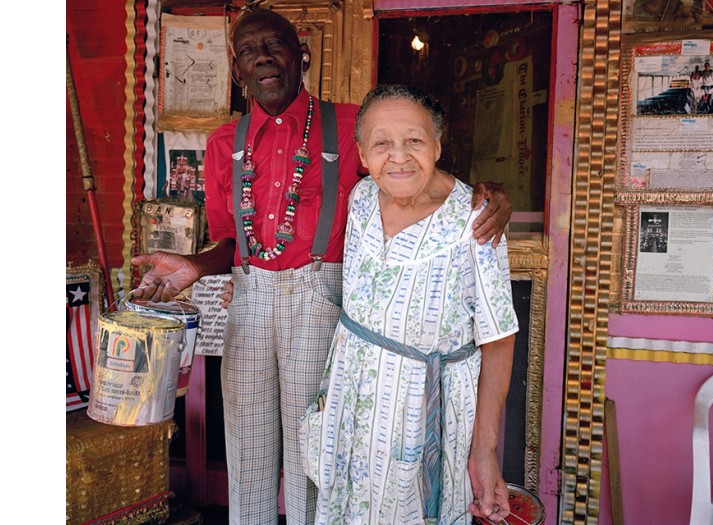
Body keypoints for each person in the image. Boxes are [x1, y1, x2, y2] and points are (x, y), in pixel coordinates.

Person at [130, 8, 513, 525]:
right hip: (248, 299)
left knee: (317, 457)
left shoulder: (355, 123)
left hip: (320, 300)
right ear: (237, 68)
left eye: (275, 45)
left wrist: (488, 195)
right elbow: (231, 243)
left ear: (301, 55)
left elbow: (410, 168)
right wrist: (196, 266)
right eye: (248, 51)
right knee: (247, 453)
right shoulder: (224, 144)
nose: (262, 57)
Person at [300, 84, 518, 525]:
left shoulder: (476, 219)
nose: (398, 156)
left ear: (438, 145)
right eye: (382, 143)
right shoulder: (361, 198)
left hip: (425, 409)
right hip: (353, 402)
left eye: (415, 141)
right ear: (362, 153)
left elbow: (498, 338)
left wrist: (485, 449)